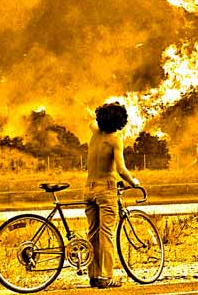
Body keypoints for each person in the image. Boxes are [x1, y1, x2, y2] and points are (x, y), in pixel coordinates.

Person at [84, 102, 140, 288]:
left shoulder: (95, 132)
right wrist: (134, 182)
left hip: (89, 188)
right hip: (106, 190)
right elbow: (121, 169)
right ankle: (107, 277)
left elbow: (92, 120)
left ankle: (93, 275)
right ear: (120, 121)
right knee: (106, 234)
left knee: (92, 234)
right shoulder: (116, 139)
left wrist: (102, 114)